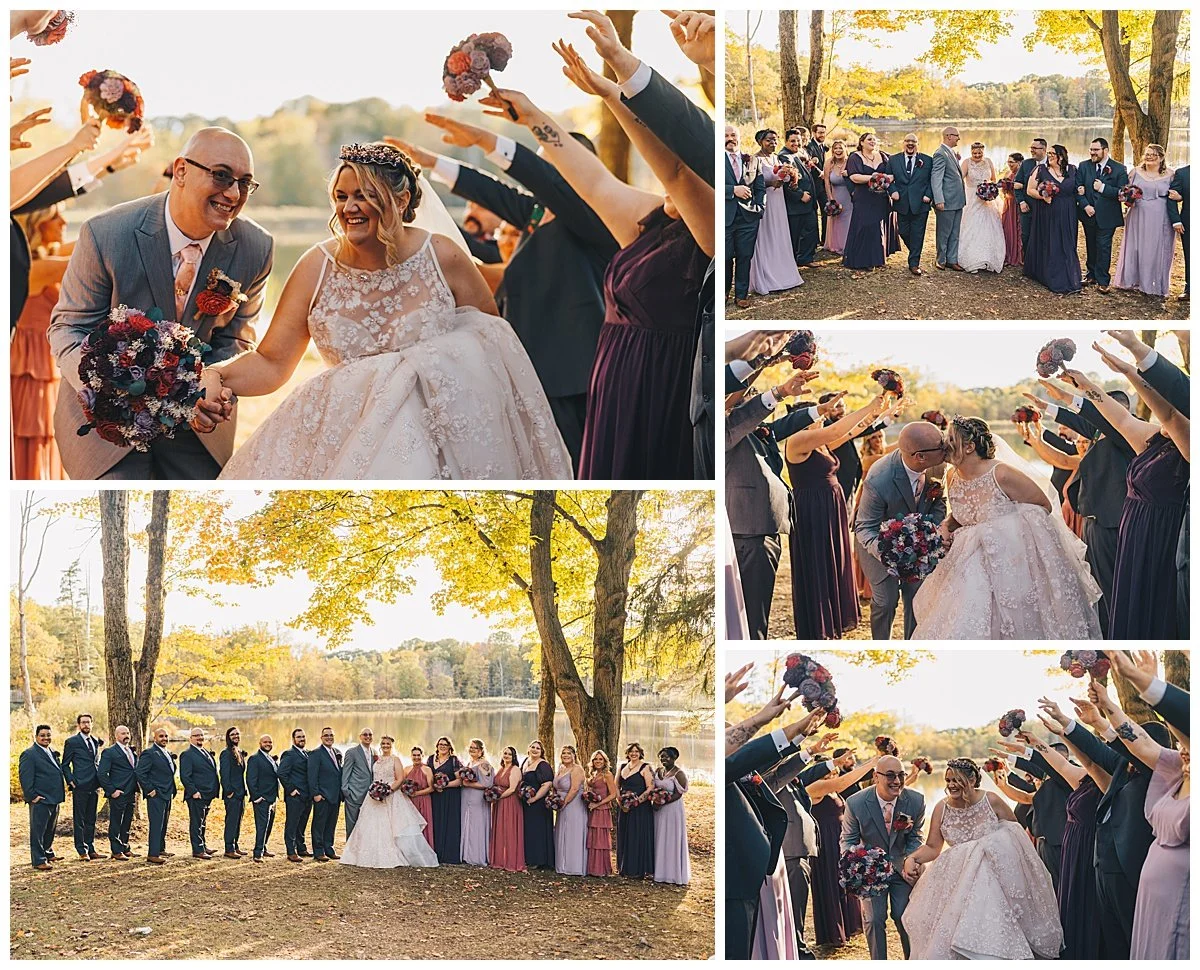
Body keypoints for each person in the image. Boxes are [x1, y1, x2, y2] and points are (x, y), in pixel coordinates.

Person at [214, 142, 569, 480]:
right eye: (342, 196)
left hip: (443, 444)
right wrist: (214, 376)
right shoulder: (315, 267)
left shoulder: (443, 256)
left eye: (364, 195)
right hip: (348, 439)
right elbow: (271, 362)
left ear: (401, 200)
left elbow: (493, 348)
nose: (349, 208)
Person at [391, 120, 617, 470]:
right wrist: (431, 162)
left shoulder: (592, 218)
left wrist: (488, 141)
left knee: (576, 466)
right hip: (535, 365)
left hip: (573, 375)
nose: (538, 175)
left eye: (546, 166)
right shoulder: (537, 212)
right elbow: (493, 192)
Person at [48, 127, 266, 480]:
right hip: (107, 428)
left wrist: (209, 389)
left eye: (245, 183)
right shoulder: (105, 233)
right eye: (221, 176)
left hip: (198, 429)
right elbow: (68, 329)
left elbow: (238, 340)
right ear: (180, 171)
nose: (233, 193)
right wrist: (112, 389)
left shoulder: (257, 247)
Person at [912, 416, 1102, 639]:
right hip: (966, 559)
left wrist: (999, 529)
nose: (945, 444)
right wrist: (946, 525)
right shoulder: (952, 475)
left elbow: (1043, 506)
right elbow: (965, 514)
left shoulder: (1001, 474)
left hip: (1010, 561)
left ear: (970, 447)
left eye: (951, 439)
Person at [901, 759, 1063, 959]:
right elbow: (933, 848)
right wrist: (912, 858)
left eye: (956, 780)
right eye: (948, 780)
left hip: (995, 877)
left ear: (972, 780)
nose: (951, 785)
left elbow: (1015, 834)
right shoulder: (941, 808)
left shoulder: (991, 800)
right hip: (957, 879)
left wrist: (989, 845)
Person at [785, 393, 891, 638]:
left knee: (834, 562)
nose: (823, 419)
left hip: (830, 508)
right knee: (818, 564)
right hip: (812, 511)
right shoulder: (798, 440)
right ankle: (818, 625)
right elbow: (836, 431)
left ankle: (832, 619)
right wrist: (867, 405)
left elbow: (851, 432)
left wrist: (875, 414)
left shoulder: (820, 443)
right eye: (818, 416)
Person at [852, 421, 949, 640]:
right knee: (886, 602)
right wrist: (890, 553)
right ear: (920, 457)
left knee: (917, 599)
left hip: (920, 546)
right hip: (879, 545)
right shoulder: (879, 478)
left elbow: (939, 502)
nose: (946, 448)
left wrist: (928, 533)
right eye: (941, 446)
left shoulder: (939, 465)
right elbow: (865, 527)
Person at [839, 754, 926, 960]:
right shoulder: (856, 802)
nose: (897, 781)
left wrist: (911, 859)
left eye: (901, 775)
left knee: (905, 916)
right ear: (875, 776)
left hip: (902, 868)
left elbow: (916, 837)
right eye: (890, 775)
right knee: (874, 920)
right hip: (871, 872)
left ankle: (913, 960)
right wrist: (858, 865)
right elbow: (848, 841)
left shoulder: (916, 800)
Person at [807, 752, 879, 946]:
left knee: (845, 880)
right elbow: (842, 783)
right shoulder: (816, 787)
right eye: (829, 773)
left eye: (834, 772)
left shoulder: (832, 790)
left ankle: (849, 925)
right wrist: (871, 762)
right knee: (831, 882)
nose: (833, 775)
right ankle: (833, 931)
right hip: (826, 841)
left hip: (840, 840)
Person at [339, 734, 439, 868]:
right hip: (374, 797)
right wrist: (376, 791)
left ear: (392, 746)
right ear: (380, 745)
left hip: (391, 794)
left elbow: (400, 779)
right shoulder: (377, 759)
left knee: (393, 825)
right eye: (383, 744)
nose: (385, 746)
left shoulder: (395, 759)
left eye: (388, 744)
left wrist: (388, 791)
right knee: (371, 825)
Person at [1114, 143, 1177, 298]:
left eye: (1153, 155)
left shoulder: (1170, 174)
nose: (1149, 157)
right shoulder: (1135, 172)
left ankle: (1153, 283)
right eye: (1147, 154)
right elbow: (1125, 192)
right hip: (1137, 214)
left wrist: (1178, 197)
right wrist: (1125, 197)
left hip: (1160, 217)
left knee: (1155, 248)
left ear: (1161, 158)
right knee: (1136, 247)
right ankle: (1132, 280)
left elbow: (1176, 195)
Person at [747, 129, 803, 294]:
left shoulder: (776, 158)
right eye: (769, 140)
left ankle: (783, 273)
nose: (773, 143)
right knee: (767, 235)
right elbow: (750, 183)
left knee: (779, 234)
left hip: (779, 202)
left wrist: (790, 177)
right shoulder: (754, 159)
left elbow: (783, 178)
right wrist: (771, 183)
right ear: (760, 142)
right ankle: (767, 276)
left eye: (775, 139)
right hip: (765, 201)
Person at [1023, 144, 1083, 295]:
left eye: (1052, 154)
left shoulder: (1072, 170)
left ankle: (1068, 275)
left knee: (1068, 242)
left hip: (1068, 211)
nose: (1049, 156)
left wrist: (1081, 190)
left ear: (1061, 156)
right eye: (1048, 153)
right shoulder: (1040, 169)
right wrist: (1042, 196)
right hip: (1047, 211)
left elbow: (1077, 188)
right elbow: (1030, 190)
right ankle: (1051, 275)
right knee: (1052, 241)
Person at [1076, 136, 1127, 292]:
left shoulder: (1119, 169)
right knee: (1090, 244)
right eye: (1091, 149)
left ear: (1106, 150)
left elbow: (1123, 193)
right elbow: (1077, 188)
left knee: (1104, 247)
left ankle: (1103, 280)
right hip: (1088, 214)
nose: (1092, 152)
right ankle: (1091, 274)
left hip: (1108, 216)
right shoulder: (1083, 166)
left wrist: (1103, 188)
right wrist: (1085, 205)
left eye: (1096, 150)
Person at [725, 126, 766, 308]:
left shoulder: (753, 160)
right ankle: (723, 292)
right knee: (725, 257)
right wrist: (733, 190)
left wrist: (760, 208)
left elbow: (760, 187)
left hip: (749, 217)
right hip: (725, 217)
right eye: (726, 135)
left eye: (733, 135)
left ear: (739, 137)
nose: (730, 138)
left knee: (744, 256)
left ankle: (741, 294)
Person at [843, 132, 893, 270]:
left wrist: (884, 180)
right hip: (863, 197)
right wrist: (874, 178)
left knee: (877, 227)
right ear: (862, 142)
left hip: (880, 196)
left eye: (874, 139)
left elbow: (891, 173)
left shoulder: (883, 155)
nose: (872, 141)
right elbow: (854, 177)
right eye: (869, 139)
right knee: (864, 226)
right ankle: (862, 260)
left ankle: (877, 258)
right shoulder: (854, 157)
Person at [884, 133, 933, 275]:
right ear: (903, 143)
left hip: (921, 203)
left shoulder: (927, 160)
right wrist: (892, 191)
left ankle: (914, 263)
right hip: (901, 203)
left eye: (913, 141)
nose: (910, 143)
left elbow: (932, 180)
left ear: (918, 144)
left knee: (918, 234)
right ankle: (915, 251)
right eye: (907, 141)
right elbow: (888, 179)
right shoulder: (893, 160)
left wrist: (928, 195)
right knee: (903, 231)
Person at [19, 724, 65, 870]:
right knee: (38, 831)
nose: (46, 738)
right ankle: (38, 860)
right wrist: (32, 796)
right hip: (40, 799)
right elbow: (25, 778)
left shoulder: (51, 751)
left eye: (48, 735)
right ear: (36, 737)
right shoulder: (29, 754)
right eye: (42, 735)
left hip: (54, 798)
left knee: (50, 829)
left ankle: (48, 853)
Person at [61, 712, 104, 860]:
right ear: (79, 725)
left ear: (92, 724)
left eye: (88, 722)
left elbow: (96, 762)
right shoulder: (72, 742)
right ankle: (82, 851)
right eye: (83, 722)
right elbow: (65, 764)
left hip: (95, 785)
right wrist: (71, 781)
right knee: (79, 820)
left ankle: (91, 849)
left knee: (91, 819)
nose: (86, 725)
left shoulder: (95, 741)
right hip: (80, 785)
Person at [957, 142, 1005, 273]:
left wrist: (990, 190)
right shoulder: (966, 162)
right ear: (971, 152)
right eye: (975, 153)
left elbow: (993, 179)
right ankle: (971, 258)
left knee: (990, 225)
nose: (977, 155)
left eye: (980, 153)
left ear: (983, 152)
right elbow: (959, 178)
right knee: (971, 226)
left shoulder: (988, 161)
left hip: (987, 200)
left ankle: (989, 257)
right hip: (971, 197)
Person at [134, 725, 177, 865]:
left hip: (168, 793)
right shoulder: (149, 753)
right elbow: (140, 773)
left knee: (164, 823)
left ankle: (160, 849)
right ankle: (152, 854)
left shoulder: (167, 752)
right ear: (155, 738)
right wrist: (149, 789)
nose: (164, 738)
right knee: (156, 824)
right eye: (161, 736)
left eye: (166, 736)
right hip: (156, 794)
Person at [778, 127, 820, 267]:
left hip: (807, 203)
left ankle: (805, 258)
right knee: (795, 234)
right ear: (786, 141)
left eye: (798, 140)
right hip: (796, 204)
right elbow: (785, 181)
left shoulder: (797, 154)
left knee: (809, 230)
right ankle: (793, 261)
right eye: (793, 141)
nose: (796, 143)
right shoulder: (784, 157)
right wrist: (800, 194)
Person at [96, 724, 137, 860]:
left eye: (127, 733)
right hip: (118, 793)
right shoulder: (109, 752)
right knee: (116, 822)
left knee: (127, 822)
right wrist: (112, 790)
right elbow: (102, 774)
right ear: (116, 736)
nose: (126, 736)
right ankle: (116, 850)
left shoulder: (131, 751)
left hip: (131, 792)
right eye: (123, 733)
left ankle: (125, 847)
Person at [179, 727, 219, 859]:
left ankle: (203, 846)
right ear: (190, 738)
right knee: (196, 823)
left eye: (201, 735)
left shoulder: (205, 751)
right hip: (197, 795)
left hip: (207, 794)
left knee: (202, 822)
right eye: (196, 735)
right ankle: (197, 850)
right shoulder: (187, 754)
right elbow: (185, 776)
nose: (200, 737)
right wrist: (194, 792)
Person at [652, 747, 690, 886]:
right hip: (658, 810)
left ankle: (672, 874)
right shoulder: (658, 771)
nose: (664, 759)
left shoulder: (679, 773)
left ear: (674, 758)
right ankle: (658, 871)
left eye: (667, 757)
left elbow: (679, 793)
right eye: (661, 757)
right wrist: (655, 800)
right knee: (659, 836)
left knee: (671, 838)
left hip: (672, 809)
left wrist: (663, 801)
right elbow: (652, 788)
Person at [617, 742, 656, 878]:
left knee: (637, 835)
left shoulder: (646, 767)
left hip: (640, 808)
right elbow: (616, 786)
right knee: (625, 834)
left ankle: (637, 869)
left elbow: (650, 787)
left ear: (640, 753)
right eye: (631, 751)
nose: (633, 754)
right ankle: (625, 867)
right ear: (627, 753)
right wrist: (620, 802)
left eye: (636, 751)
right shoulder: (622, 767)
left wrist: (636, 801)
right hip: (624, 807)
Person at [931, 126, 966, 271]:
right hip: (946, 201)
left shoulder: (950, 152)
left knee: (955, 233)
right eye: (957, 135)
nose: (959, 138)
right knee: (943, 233)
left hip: (957, 200)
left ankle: (952, 260)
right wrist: (939, 199)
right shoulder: (940, 153)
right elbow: (936, 178)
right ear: (949, 136)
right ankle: (940, 259)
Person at [307, 726, 342, 862]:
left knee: (331, 824)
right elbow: (312, 776)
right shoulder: (316, 753)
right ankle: (319, 851)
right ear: (321, 738)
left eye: (331, 735)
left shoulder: (337, 752)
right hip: (322, 796)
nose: (329, 737)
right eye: (326, 735)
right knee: (319, 825)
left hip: (335, 796)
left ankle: (329, 849)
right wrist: (315, 794)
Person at [489, 745, 526, 872]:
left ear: (514, 756)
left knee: (509, 830)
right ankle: (500, 860)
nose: (507, 756)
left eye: (509, 754)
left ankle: (511, 861)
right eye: (505, 753)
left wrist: (498, 797)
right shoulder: (501, 768)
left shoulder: (515, 769)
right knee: (500, 829)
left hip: (510, 802)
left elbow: (512, 789)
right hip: (499, 803)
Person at [277, 728, 312, 862]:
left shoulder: (307, 754)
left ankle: (301, 848)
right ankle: (291, 851)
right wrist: (291, 789)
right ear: (293, 739)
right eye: (299, 737)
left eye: (303, 737)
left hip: (307, 796)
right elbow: (281, 773)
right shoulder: (289, 754)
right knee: (292, 825)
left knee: (302, 824)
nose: (301, 739)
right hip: (295, 797)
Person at [428, 736, 463, 864]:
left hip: (450, 796)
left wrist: (445, 785)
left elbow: (460, 780)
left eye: (445, 744)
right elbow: (428, 776)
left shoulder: (454, 760)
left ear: (449, 747)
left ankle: (449, 854)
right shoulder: (430, 759)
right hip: (435, 795)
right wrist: (434, 786)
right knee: (436, 821)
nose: (442, 746)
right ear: (437, 746)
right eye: (440, 744)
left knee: (449, 823)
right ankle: (435, 852)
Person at [553, 745, 588, 876]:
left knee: (572, 833)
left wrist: (564, 802)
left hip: (573, 804)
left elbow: (574, 789)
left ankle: (573, 866)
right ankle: (561, 864)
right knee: (562, 832)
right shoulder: (561, 768)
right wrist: (554, 800)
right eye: (564, 753)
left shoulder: (577, 769)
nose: (566, 755)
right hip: (561, 804)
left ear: (574, 755)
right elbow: (555, 787)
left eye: (569, 753)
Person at [459, 738, 494, 866]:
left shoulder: (484, 764)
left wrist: (468, 784)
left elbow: (487, 784)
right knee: (467, 823)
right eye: (471, 747)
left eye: (475, 748)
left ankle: (476, 856)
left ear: (481, 751)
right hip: (466, 797)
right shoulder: (469, 763)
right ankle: (466, 854)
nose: (472, 750)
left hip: (477, 798)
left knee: (476, 824)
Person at [521, 739, 555, 870]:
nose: (535, 750)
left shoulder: (543, 765)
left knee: (537, 830)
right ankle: (528, 857)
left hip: (539, 803)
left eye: (538, 748)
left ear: (542, 752)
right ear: (528, 748)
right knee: (528, 829)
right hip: (526, 801)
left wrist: (534, 799)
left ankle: (539, 859)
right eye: (533, 747)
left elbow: (547, 784)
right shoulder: (525, 761)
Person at [245, 734, 279, 862]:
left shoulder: (270, 758)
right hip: (262, 799)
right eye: (265, 742)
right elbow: (250, 779)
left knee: (268, 825)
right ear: (260, 744)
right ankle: (257, 853)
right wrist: (257, 797)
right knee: (262, 826)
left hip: (272, 798)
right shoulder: (255, 759)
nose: (268, 744)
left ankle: (263, 848)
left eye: (270, 742)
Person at [1013, 138, 1048, 256]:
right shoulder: (1026, 164)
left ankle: (1043, 261)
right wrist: (1021, 202)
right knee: (1026, 235)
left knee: (1044, 235)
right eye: (1031, 148)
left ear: (1044, 149)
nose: (1032, 150)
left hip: (1046, 207)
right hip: (1027, 206)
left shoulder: (1052, 164)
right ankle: (1028, 261)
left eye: (1035, 148)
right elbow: (1017, 184)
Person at [586, 750, 617, 876]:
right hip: (592, 809)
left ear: (605, 761)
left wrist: (598, 804)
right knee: (593, 838)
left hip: (602, 809)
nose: (598, 761)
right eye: (595, 759)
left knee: (600, 839)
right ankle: (592, 867)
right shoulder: (593, 774)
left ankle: (601, 869)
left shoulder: (607, 775)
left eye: (600, 759)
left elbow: (613, 794)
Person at [339, 727, 375, 840]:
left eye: (370, 734)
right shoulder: (352, 752)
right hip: (354, 795)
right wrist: (346, 791)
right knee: (352, 825)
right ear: (360, 737)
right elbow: (346, 773)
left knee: (366, 825)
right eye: (365, 734)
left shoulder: (374, 752)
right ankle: (350, 849)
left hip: (370, 796)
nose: (368, 736)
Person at [218, 726, 247, 859]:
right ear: (228, 737)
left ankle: (235, 846)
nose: (235, 736)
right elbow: (224, 774)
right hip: (232, 794)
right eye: (232, 734)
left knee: (238, 821)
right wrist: (229, 791)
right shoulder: (226, 753)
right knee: (231, 821)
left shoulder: (239, 751)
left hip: (241, 793)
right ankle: (229, 849)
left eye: (237, 734)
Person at [823, 138, 854, 257]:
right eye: (835, 148)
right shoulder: (829, 163)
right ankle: (837, 245)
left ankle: (849, 246)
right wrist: (831, 199)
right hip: (836, 196)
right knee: (837, 220)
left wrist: (848, 174)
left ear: (845, 149)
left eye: (840, 148)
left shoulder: (851, 162)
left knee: (849, 220)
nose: (838, 150)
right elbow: (827, 182)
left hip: (850, 197)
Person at [405, 746, 435, 850]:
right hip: (411, 802)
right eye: (414, 755)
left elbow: (431, 788)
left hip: (424, 800)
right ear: (411, 756)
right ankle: (412, 850)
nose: (416, 757)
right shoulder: (406, 769)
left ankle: (425, 850)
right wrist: (407, 791)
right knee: (412, 825)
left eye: (418, 755)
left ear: (422, 756)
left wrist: (417, 793)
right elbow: (402, 785)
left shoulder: (427, 769)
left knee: (424, 824)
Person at [1167, 164, 1189, 300]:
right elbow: (1171, 197)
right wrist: (1176, 220)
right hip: (1189, 221)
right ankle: (1190, 289)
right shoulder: (1182, 173)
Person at [1000, 152, 1025, 266]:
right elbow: (1004, 189)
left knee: (1016, 228)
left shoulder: (1022, 174)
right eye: (1008, 162)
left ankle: (1017, 255)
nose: (1009, 164)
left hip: (1016, 204)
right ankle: (1007, 253)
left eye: (1012, 162)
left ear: (1019, 163)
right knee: (1007, 227)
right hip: (1008, 203)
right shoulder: (1007, 172)